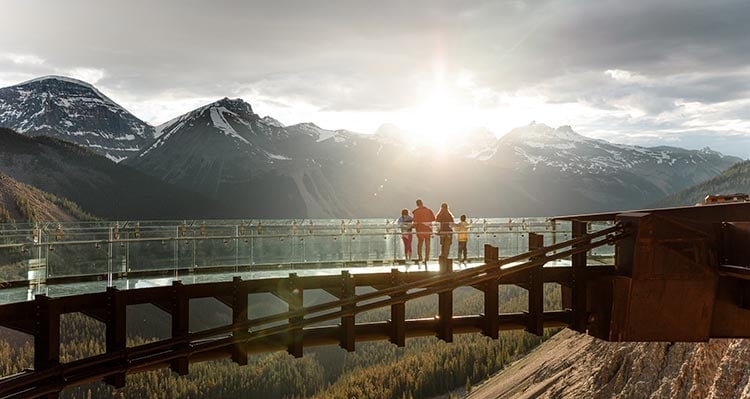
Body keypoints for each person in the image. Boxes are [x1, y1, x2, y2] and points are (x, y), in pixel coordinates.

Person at [412, 199, 435, 267]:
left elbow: (415, 222)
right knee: (427, 244)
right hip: (428, 230)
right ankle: (427, 258)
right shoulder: (429, 211)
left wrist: (413, 227)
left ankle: (420, 257)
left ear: (417, 204)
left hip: (420, 230)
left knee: (420, 244)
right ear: (422, 203)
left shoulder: (416, 212)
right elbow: (433, 219)